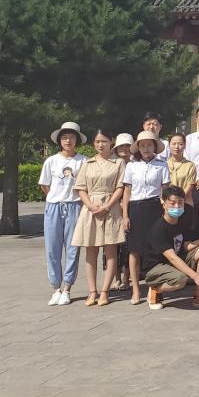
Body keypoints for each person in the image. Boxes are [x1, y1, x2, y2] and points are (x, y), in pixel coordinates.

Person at [71, 129, 125, 307]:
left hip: (111, 208)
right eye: (97, 142)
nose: (101, 145)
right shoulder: (88, 163)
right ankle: (92, 291)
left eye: (104, 141)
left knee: (110, 251)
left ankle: (105, 291)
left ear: (111, 142)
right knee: (90, 251)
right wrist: (90, 205)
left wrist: (107, 206)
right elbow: (81, 188)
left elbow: (120, 187)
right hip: (91, 209)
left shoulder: (118, 163)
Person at [142, 185, 199, 310]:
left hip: (176, 259)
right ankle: (155, 289)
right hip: (157, 266)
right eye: (172, 203)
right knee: (180, 280)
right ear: (164, 204)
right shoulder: (158, 229)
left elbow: (186, 246)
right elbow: (172, 257)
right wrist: (196, 276)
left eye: (180, 202)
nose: (177, 206)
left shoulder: (183, 220)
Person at [40, 121, 86, 305]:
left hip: (74, 206)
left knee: (72, 249)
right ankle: (55, 288)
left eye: (71, 137)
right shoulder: (51, 161)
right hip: (53, 207)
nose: (68, 141)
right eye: (65, 137)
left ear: (77, 140)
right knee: (52, 248)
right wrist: (55, 197)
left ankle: (67, 288)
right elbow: (45, 185)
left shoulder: (83, 161)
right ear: (59, 140)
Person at [122, 130, 171, 305]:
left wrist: (166, 212)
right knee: (134, 250)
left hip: (154, 207)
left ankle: (155, 288)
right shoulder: (131, 166)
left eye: (149, 145)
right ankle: (136, 289)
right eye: (142, 145)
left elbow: (166, 190)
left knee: (156, 249)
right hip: (135, 208)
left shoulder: (162, 165)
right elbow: (127, 192)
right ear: (138, 148)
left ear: (155, 147)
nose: (146, 148)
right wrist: (125, 215)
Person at [109, 133, 134, 292]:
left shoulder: (136, 163)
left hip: (132, 207)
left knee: (128, 244)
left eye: (127, 145)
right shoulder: (111, 164)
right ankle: (116, 277)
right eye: (121, 146)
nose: (124, 148)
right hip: (113, 207)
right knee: (113, 244)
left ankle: (126, 278)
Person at [166, 133, 198, 206]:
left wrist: (177, 201)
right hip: (167, 204)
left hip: (185, 203)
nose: (176, 147)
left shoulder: (190, 165)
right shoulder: (164, 165)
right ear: (169, 145)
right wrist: (169, 201)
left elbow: (189, 186)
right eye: (174, 144)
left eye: (180, 144)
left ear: (185, 146)